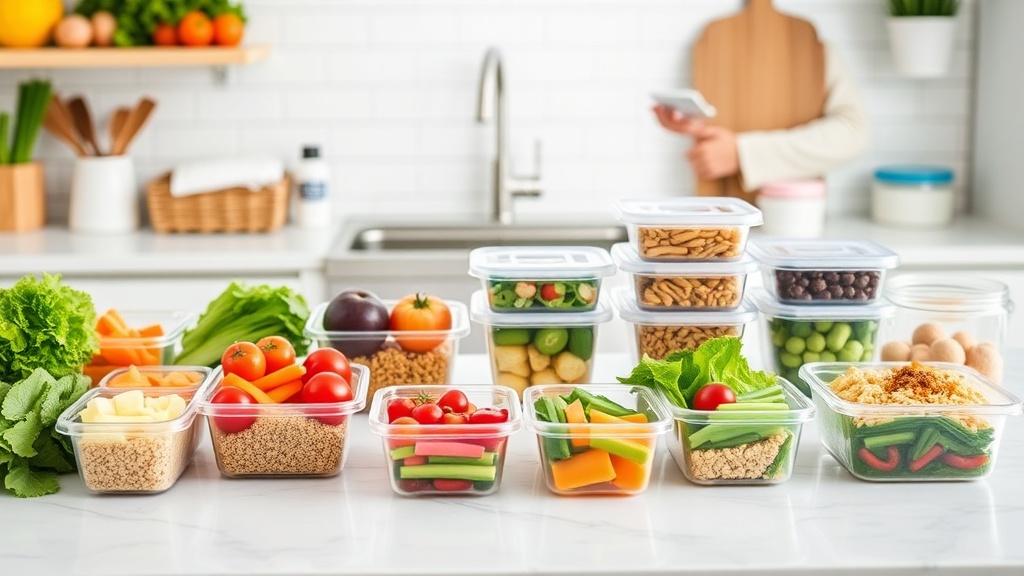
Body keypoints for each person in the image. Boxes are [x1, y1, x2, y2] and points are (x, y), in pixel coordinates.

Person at [652, 44, 869, 193]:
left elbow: (852, 133)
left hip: (798, 216)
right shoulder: (715, 41)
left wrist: (742, 153)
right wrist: (698, 128)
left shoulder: (810, 47)